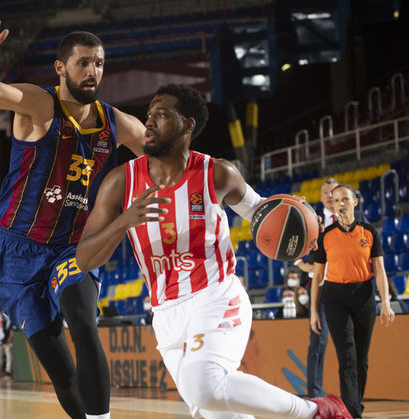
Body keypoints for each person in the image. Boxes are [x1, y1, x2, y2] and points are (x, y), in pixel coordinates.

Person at [76, 84, 351, 419]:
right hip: (164, 314)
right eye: (148, 116)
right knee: (217, 409)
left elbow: (264, 215)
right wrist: (124, 221)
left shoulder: (217, 173)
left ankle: (316, 410)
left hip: (215, 296)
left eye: (161, 115)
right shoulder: (121, 181)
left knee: (204, 387)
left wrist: (299, 218)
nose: (148, 123)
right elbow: (85, 258)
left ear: (187, 125)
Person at [0, 20, 145, 419]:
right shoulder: (39, 105)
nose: (92, 71)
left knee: (83, 320)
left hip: (74, 247)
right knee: (62, 374)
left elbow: (165, 150)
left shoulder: (117, 124)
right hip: (18, 252)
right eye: (83, 63)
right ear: (60, 68)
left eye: (98, 63)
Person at [310, 183, 395, 418]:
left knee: (361, 360)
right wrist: (314, 312)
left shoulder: (369, 233)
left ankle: (355, 404)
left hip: (364, 296)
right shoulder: (326, 235)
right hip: (335, 298)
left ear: (354, 202)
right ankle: (352, 411)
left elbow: (379, 270)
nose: (341, 204)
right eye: (336, 201)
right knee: (346, 356)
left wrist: (385, 303)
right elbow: (318, 275)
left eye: (345, 199)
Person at [296, 177, 338, 398]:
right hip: (320, 287)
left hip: (345, 284)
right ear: (321, 197)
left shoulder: (352, 218)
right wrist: (300, 263)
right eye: (326, 192)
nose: (330, 196)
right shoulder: (312, 218)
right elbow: (295, 244)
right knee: (318, 340)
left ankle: (351, 396)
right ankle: (315, 395)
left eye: (333, 191)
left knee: (348, 342)